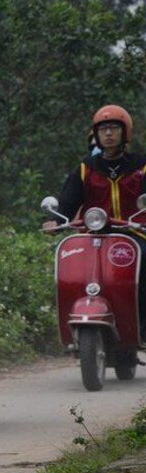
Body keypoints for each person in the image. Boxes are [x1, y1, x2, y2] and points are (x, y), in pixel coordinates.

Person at [43, 104, 146, 335]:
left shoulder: (141, 167)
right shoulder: (85, 169)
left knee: (144, 266)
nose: (108, 134)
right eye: (103, 129)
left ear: (125, 132)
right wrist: (55, 220)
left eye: (113, 128)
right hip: (94, 236)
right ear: (96, 135)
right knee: (75, 273)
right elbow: (67, 203)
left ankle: (141, 324)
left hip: (135, 233)